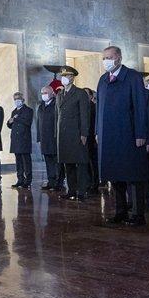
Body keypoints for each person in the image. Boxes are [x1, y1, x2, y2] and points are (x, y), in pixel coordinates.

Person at [96, 47, 149, 224]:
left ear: (119, 58)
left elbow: (140, 107)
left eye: (110, 57)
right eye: (104, 58)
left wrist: (141, 133)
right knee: (115, 174)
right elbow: (99, 110)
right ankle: (120, 211)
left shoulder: (133, 77)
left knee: (133, 175)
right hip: (109, 136)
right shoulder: (103, 80)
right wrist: (98, 131)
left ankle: (138, 213)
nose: (106, 61)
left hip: (129, 134)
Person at [55, 66, 92, 201]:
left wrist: (84, 133)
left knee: (80, 164)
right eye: (62, 76)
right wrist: (56, 134)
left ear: (72, 77)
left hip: (76, 134)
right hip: (63, 135)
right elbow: (57, 116)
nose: (63, 78)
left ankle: (81, 191)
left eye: (67, 75)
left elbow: (84, 115)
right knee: (67, 164)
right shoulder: (59, 95)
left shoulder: (80, 93)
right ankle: (71, 190)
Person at [35, 84, 62, 191]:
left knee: (57, 162)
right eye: (42, 93)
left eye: (45, 93)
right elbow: (38, 123)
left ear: (52, 93)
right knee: (48, 161)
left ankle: (58, 182)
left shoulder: (56, 104)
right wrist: (39, 138)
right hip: (44, 139)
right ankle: (51, 181)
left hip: (54, 137)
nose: (43, 95)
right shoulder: (41, 106)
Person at [6, 92, 34, 189]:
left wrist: (16, 119)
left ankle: (28, 180)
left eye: (18, 99)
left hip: (24, 139)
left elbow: (27, 122)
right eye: (15, 99)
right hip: (15, 140)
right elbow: (10, 123)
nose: (17, 101)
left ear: (22, 100)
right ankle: (20, 179)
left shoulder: (28, 110)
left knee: (26, 161)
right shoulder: (14, 111)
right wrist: (9, 122)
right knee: (18, 161)